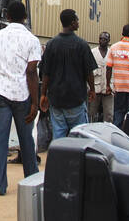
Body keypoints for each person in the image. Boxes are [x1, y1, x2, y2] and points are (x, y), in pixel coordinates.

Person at [0, 0, 42, 195]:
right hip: (23, 94)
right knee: (26, 140)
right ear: (25, 17)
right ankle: (31, 183)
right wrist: (35, 103)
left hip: (1, 93)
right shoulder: (32, 40)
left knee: (0, 140)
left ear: (7, 17)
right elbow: (32, 72)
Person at [40, 9, 96, 139]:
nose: (78, 22)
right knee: (79, 136)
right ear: (72, 23)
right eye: (77, 20)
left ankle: (57, 158)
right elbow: (89, 72)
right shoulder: (82, 45)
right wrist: (92, 89)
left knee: (58, 134)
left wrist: (43, 94)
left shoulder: (51, 44)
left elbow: (46, 73)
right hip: (76, 99)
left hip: (56, 100)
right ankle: (76, 159)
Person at [90, 31, 111, 123]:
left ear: (108, 41)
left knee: (109, 114)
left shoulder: (111, 53)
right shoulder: (93, 52)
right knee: (92, 113)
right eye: (101, 39)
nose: (103, 41)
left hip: (108, 89)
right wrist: (89, 88)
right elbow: (88, 71)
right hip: (95, 88)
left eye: (105, 39)